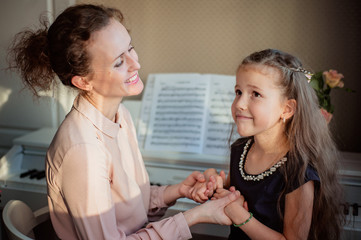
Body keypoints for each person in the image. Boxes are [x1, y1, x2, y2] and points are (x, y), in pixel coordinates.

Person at [7, 4, 241, 240]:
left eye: (131, 48)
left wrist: (179, 191)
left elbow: (131, 209)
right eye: (119, 62)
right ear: (84, 82)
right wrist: (194, 216)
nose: (135, 64)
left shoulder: (122, 116)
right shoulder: (84, 151)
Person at [191, 49, 345, 239]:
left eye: (255, 94)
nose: (240, 103)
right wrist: (212, 179)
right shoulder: (240, 149)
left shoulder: (300, 169)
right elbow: (231, 190)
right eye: (238, 91)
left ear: (287, 109)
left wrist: (239, 215)